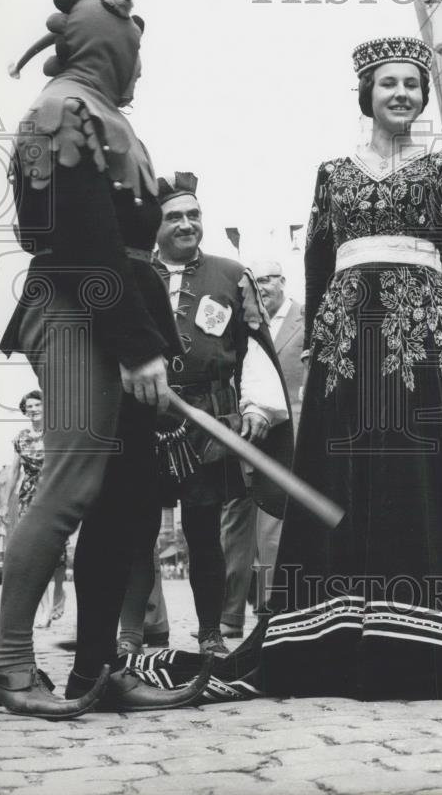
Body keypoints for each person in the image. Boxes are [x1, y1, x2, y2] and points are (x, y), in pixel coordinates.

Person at [126, 35, 442, 702]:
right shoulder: (332, 173)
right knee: (351, 481)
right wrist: (319, 346)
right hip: (347, 351)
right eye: (389, 84)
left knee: (419, 477)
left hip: (422, 341)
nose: (402, 93)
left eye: (413, 83)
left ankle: (431, 628)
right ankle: (338, 628)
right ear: (367, 94)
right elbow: (318, 266)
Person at [0, 0, 218, 718]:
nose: (140, 69)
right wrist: (135, 343)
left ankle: (96, 669)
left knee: (127, 499)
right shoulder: (59, 109)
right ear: (108, 49)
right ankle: (9, 664)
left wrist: (142, 335)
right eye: (133, 54)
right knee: (74, 484)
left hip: (118, 315)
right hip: (81, 310)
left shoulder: (103, 113)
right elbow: (79, 241)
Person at [117, 175, 292, 658]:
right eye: (175, 216)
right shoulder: (130, 272)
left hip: (207, 422)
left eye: (194, 215)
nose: (187, 224)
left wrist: (257, 405)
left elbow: (255, 347)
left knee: (203, 529)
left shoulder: (232, 275)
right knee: (139, 528)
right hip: (143, 419)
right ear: (155, 223)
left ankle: (211, 633)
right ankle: (131, 631)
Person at [219, 259, 304, 637]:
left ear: (283, 280)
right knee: (233, 524)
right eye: (257, 280)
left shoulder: (307, 319)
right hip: (240, 435)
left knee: (274, 529)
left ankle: (273, 616)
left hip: (288, 438)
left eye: (269, 278)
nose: (262, 286)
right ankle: (228, 617)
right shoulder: (240, 320)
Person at [4, 390, 66, 628]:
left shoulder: (58, 434)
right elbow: (14, 472)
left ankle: (60, 592)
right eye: (28, 406)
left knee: (58, 553)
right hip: (29, 497)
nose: (33, 409)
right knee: (32, 554)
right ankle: (46, 608)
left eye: (37, 405)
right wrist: (3, 503)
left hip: (54, 493)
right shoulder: (21, 438)